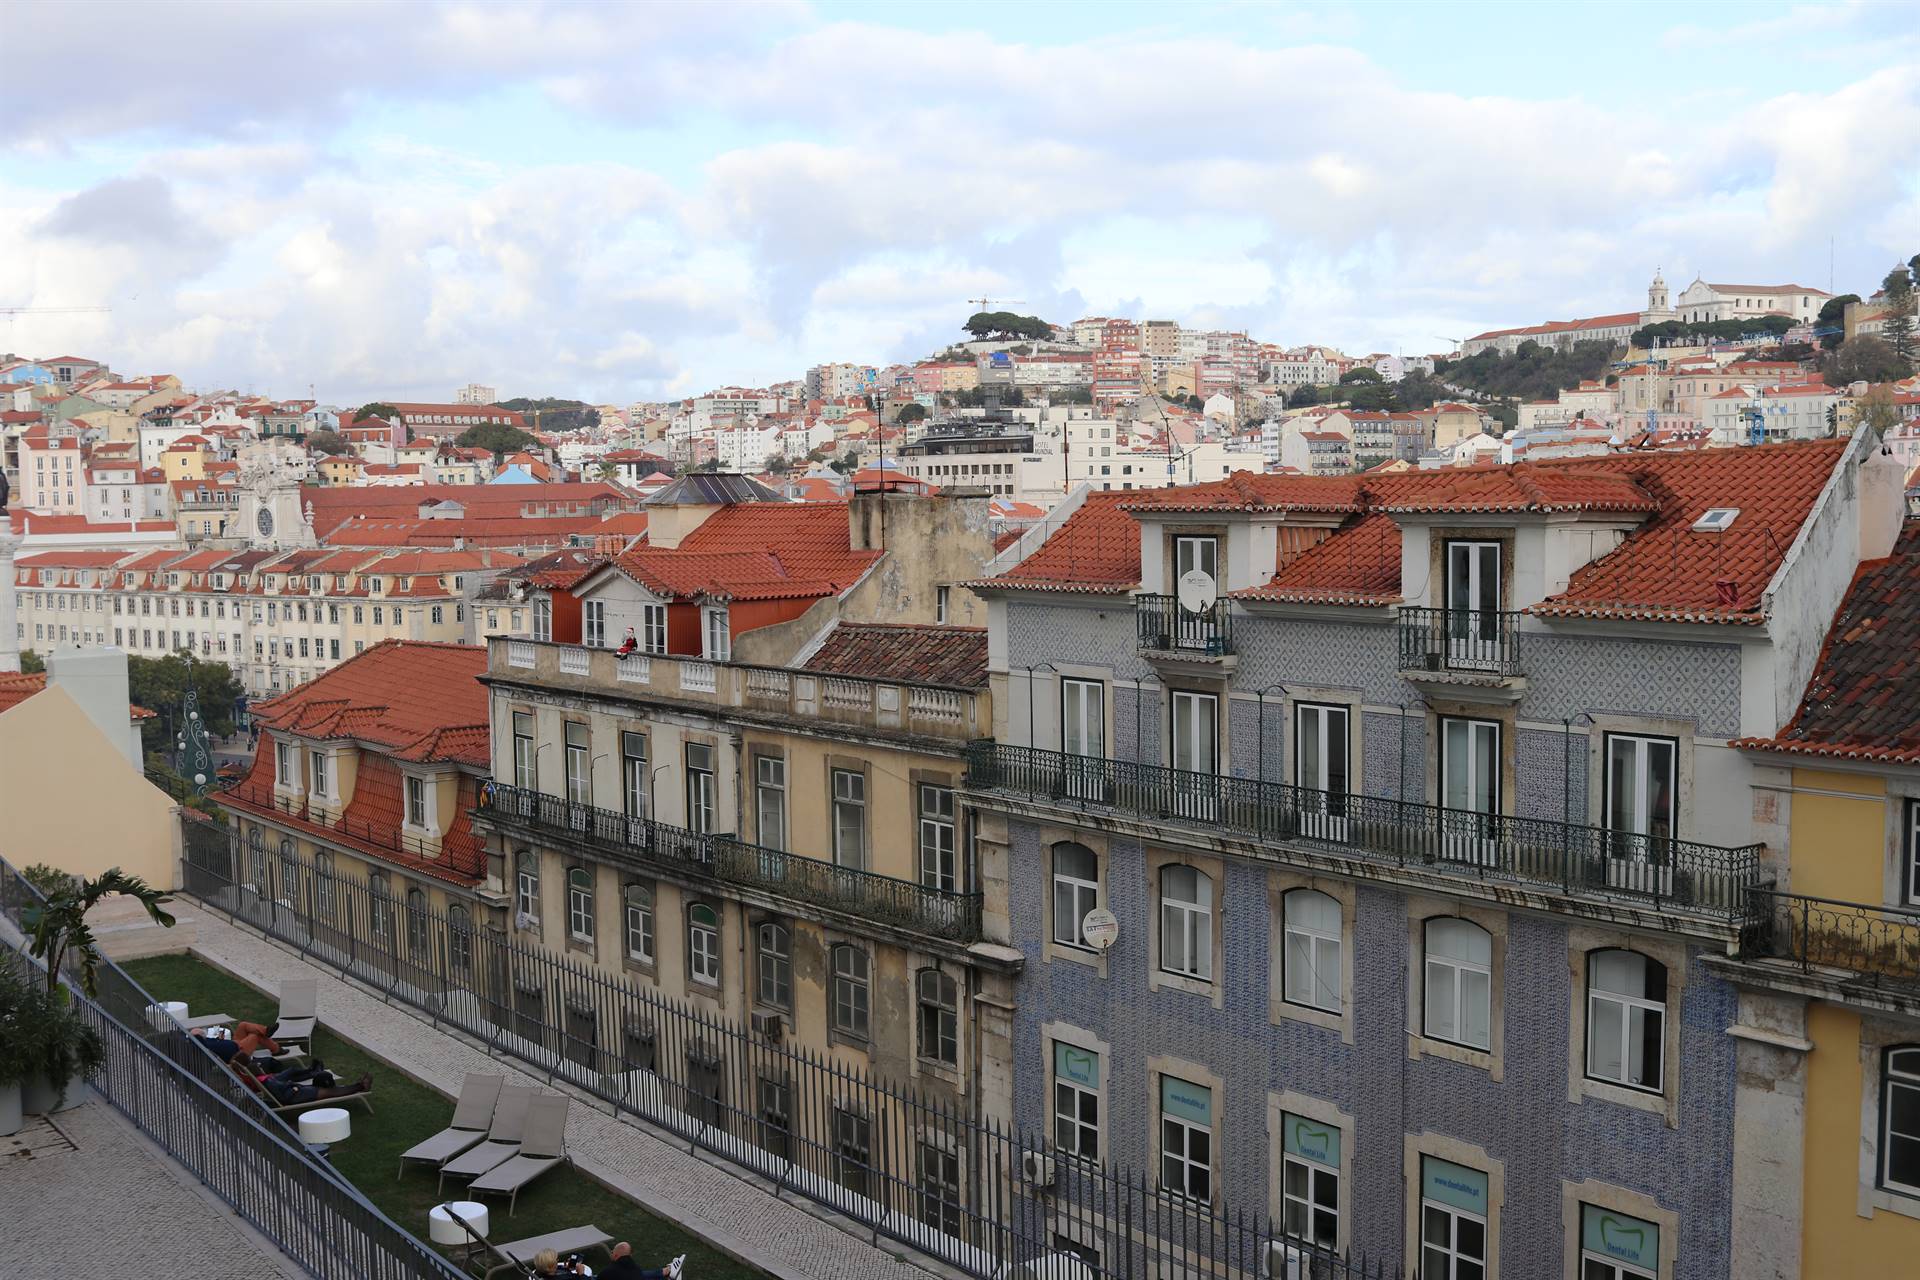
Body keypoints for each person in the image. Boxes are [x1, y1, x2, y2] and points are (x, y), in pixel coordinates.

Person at [600, 1242, 684, 1280]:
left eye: (612, 1251)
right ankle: (668, 1271)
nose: (611, 1252)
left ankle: (668, 1271)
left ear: (616, 1255)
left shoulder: (608, 1271)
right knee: (642, 1275)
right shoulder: (634, 1268)